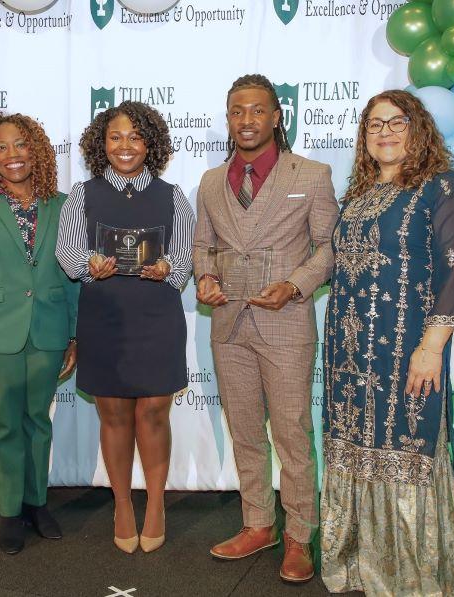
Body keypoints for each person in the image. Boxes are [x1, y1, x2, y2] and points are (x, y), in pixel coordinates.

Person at [320, 90, 454, 595]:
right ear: (364, 139)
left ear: (419, 128)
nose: (385, 132)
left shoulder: (444, 188)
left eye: (397, 121)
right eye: (374, 125)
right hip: (349, 352)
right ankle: (358, 565)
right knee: (353, 448)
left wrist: (431, 347)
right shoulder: (358, 198)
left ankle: (410, 578)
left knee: (406, 446)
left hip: (406, 349)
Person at [193, 74, 338, 582]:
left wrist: (295, 286)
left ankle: (300, 534)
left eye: (257, 111)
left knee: (293, 434)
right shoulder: (212, 182)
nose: (246, 120)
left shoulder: (313, 174)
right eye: (237, 111)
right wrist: (207, 278)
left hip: (286, 323)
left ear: (277, 116)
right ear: (228, 118)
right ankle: (258, 524)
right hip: (229, 322)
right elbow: (202, 248)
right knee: (245, 431)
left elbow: (328, 247)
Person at [56, 101, 194, 554]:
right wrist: (88, 263)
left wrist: (168, 268)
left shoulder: (172, 195)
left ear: (150, 144)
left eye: (135, 137)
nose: (125, 146)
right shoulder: (83, 193)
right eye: (115, 137)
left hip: (156, 316)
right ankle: (122, 504)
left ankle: (155, 503)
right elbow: (66, 253)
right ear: (102, 143)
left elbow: (188, 255)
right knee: (113, 415)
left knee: (153, 412)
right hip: (105, 317)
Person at [0, 113, 78, 555]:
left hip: (48, 327)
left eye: (20, 145)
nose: (11, 156)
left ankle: (36, 502)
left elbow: (72, 274)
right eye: (0, 148)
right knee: (3, 423)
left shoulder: (62, 205)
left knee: (38, 420)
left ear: (36, 150)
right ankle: (8, 511)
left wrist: (74, 334)